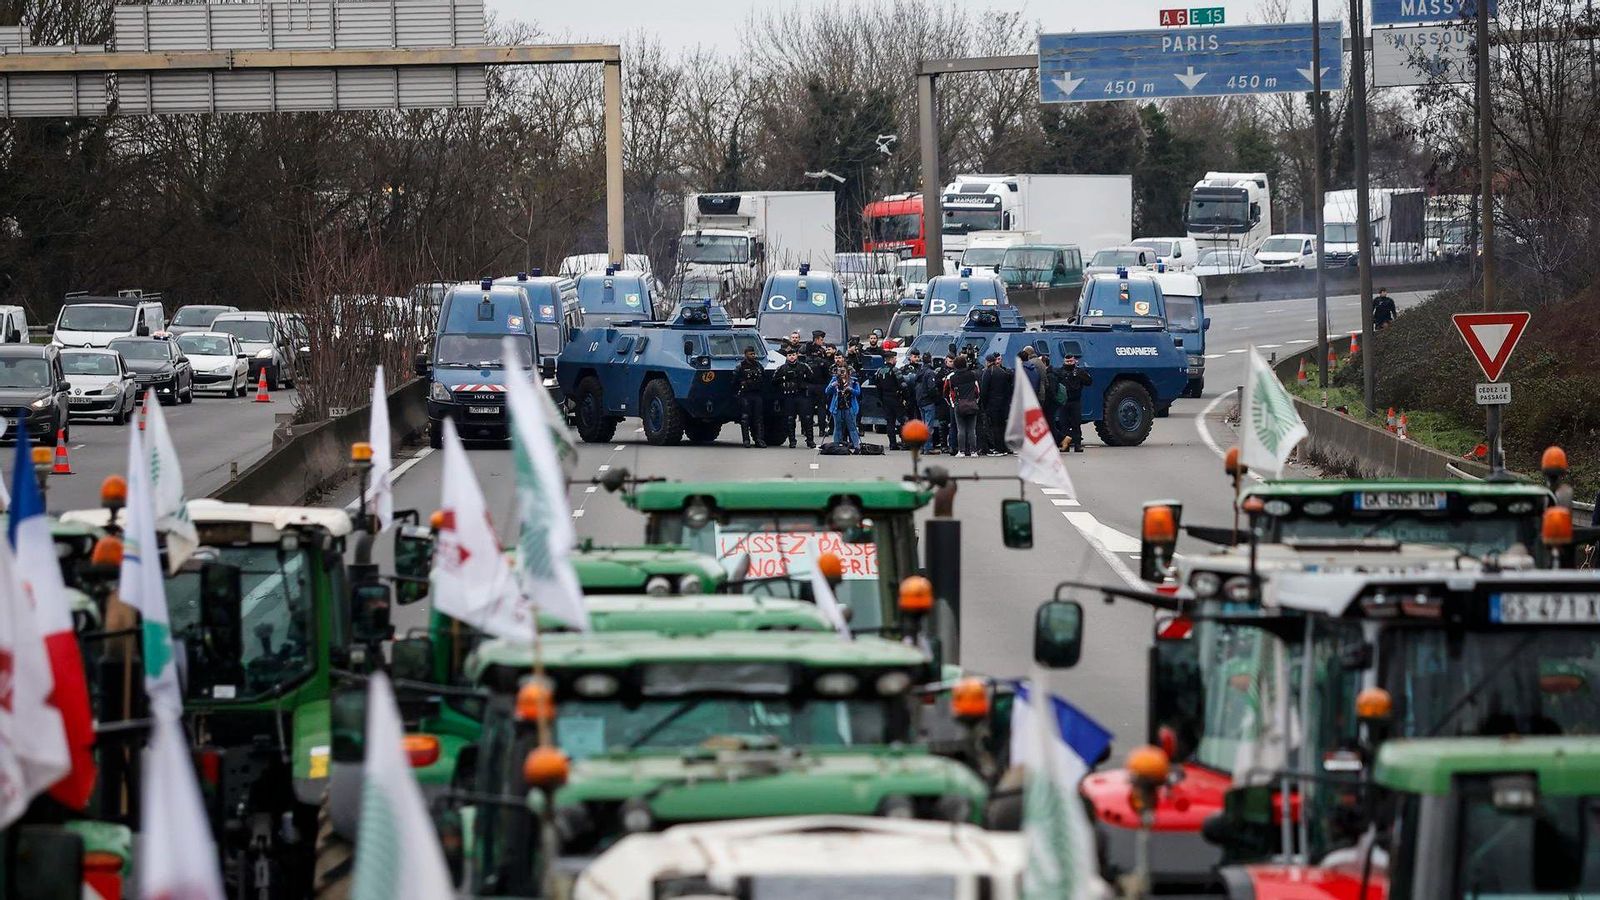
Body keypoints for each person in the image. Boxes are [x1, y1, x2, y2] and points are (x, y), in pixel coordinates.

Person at [1054, 342, 1093, 452]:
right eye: (1067, 361)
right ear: (1064, 361)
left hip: (1075, 401)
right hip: (1064, 402)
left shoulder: (1079, 372)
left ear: (1075, 361)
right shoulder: (1060, 372)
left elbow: (1089, 382)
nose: (1069, 363)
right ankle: (1065, 444)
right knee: (1063, 424)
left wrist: (1081, 374)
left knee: (1076, 424)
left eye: (1071, 361)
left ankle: (1077, 444)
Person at [774, 349, 814, 448]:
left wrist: (803, 381)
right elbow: (774, 381)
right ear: (787, 357)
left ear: (797, 355)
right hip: (789, 396)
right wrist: (784, 378)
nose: (792, 357)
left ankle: (810, 440)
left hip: (802, 395)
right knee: (790, 419)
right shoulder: (782, 368)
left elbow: (812, 377)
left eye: (793, 355)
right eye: (789, 355)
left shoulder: (803, 366)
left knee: (807, 418)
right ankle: (792, 440)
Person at [979, 353, 1014, 455]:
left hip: (992, 404)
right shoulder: (1003, 372)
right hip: (1002, 404)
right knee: (1002, 426)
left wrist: (984, 404)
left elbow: (984, 390)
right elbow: (1008, 389)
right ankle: (1003, 448)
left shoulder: (988, 372)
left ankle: (997, 448)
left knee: (994, 427)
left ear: (987, 362)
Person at [947, 356, 981, 458]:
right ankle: (973, 451)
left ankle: (961, 451)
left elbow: (948, 392)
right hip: (971, 403)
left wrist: (953, 403)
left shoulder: (952, 378)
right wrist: (976, 401)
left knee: (960, 429)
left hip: (959, 404)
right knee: (972, 429)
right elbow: (977, 391)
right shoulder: (972, 375)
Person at [734, 345, 767, 448]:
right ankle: (746, 440)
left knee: (758, 418)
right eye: (750, 354)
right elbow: (734, 381)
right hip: (745, 394)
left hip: (756, 394)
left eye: (753, 354)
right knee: (745, 418)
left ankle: (759, 439)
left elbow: (764, 378)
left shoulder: (758, 365)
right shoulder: (740, 366)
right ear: (745, 355)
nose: (753, 355)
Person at [824, 368, 861, 451]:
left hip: (850, 407)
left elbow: (858, 393)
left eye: (843, 371)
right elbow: (827, 391)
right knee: (837, 427)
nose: (842, 373)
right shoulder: (834, 380)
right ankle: (836, 446)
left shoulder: (853, 381)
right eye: (840, 371)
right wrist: (832, 385)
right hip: (837, 407)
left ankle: (856, 446)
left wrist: (850, 389)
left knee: (852, 427)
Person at [877, 354, 906, 450]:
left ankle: (892, 444)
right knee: (903, 420)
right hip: (896, 398)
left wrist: (881, 399)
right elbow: (903, 385)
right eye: (895, 358)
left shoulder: (879, 371)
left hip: (885, 398)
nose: (896, 360)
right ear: (891, 359)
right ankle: (905, 442)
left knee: (890, 422)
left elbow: (878, 387)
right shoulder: (895, 370)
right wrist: (905, 396)